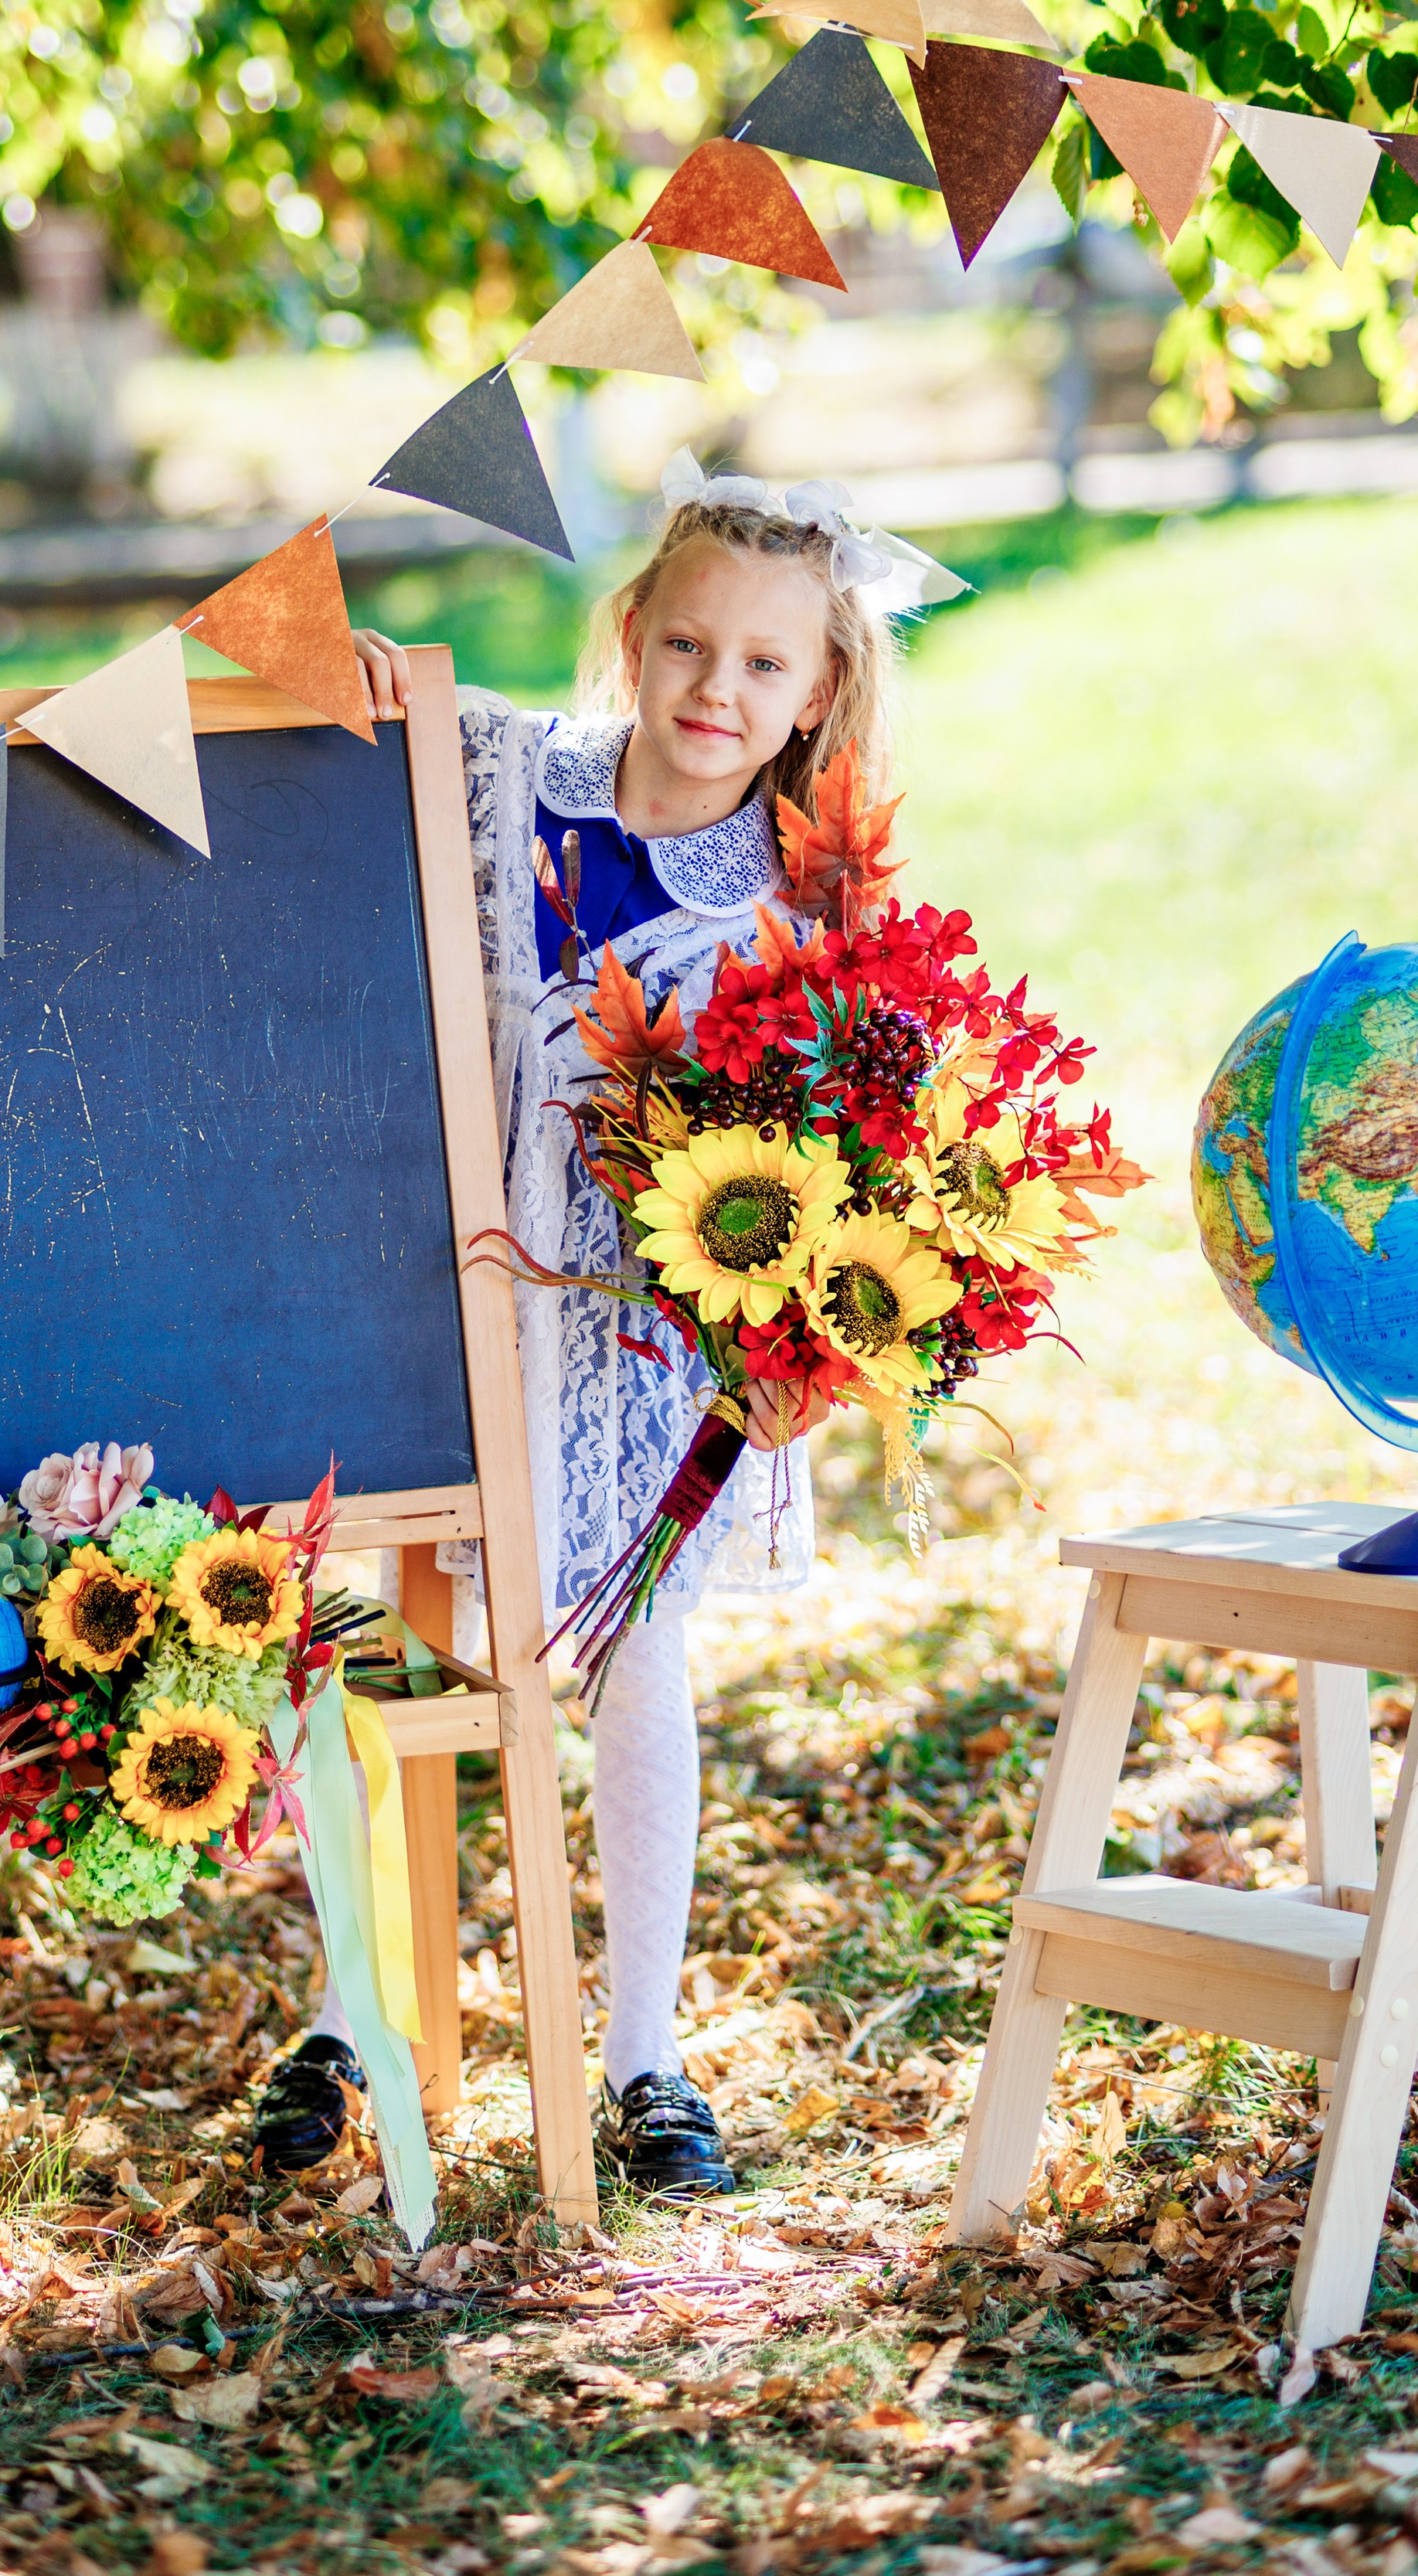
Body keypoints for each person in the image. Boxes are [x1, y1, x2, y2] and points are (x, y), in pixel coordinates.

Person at [250, 448, 905, 2197]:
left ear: (817, 688)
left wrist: (803, 1352)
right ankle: (343, 2006)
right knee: (381, 1642)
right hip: (424, 1276)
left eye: (764, 665)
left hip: (642, 1330)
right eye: (689, 646)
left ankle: (640, 2055)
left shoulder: (803, 897)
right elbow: (292, 729)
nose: (716, 689)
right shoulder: (495, 775)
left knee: (632, 1661)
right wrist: (363, 693)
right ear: (631, 632)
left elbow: (859, 1164)